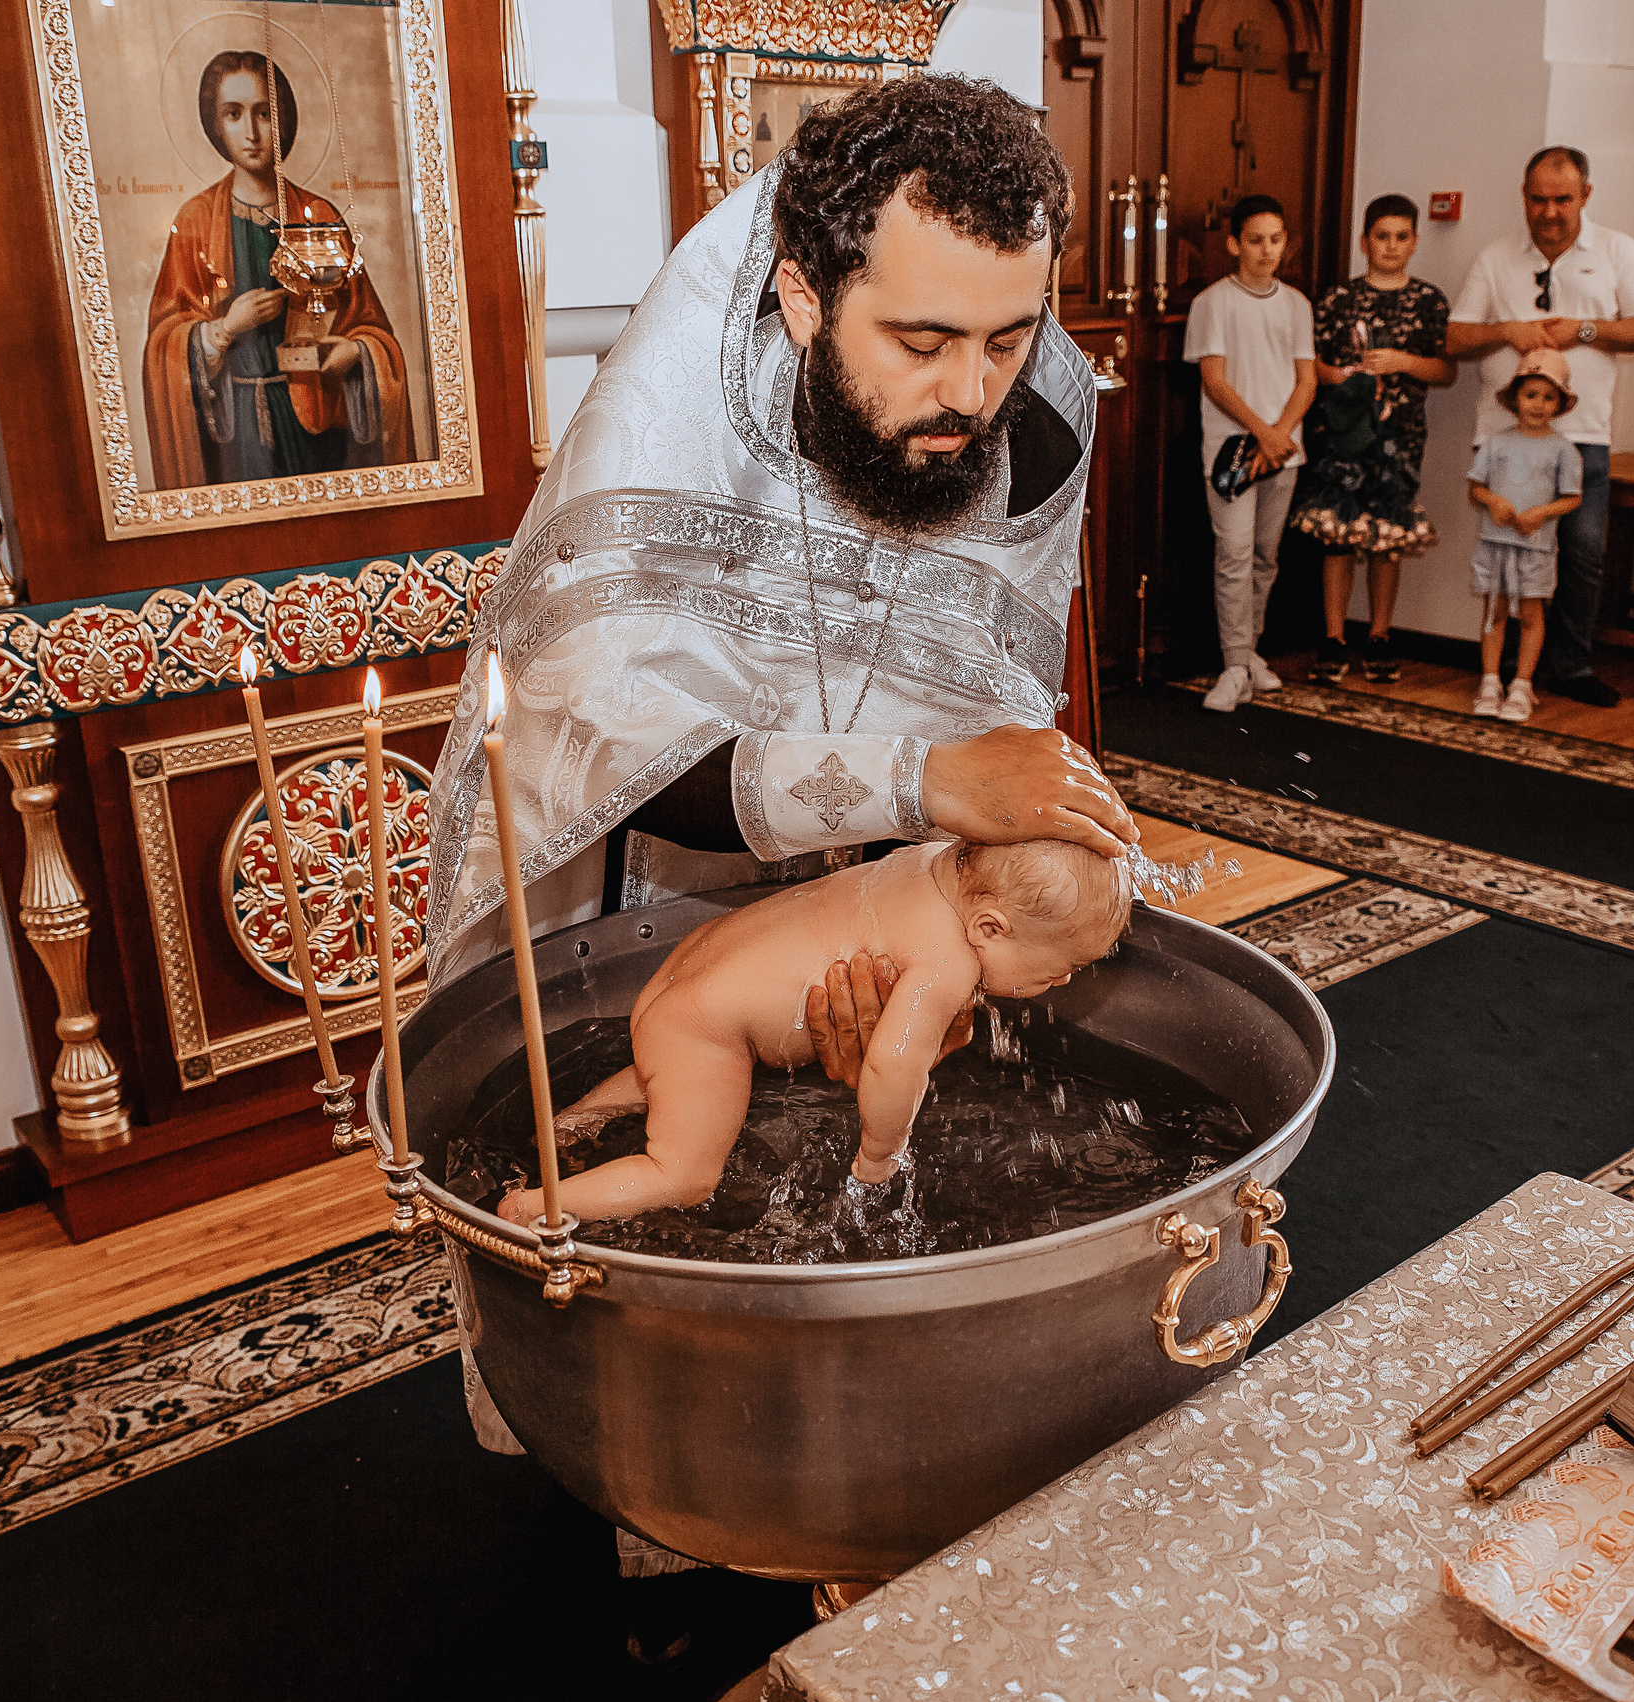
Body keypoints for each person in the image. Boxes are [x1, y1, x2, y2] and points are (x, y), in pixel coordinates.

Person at [420, 76, 1137, 1465]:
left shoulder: (1033, 420)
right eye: (922, 340)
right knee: (651, 1286)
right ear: (807, 300)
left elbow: (994, 695)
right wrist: (928, 782)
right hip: (655, 882)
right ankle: (644, 1466)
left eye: (1008, 335)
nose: (968, 395)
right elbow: (615, 759)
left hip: (888, 898)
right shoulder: (674, 406)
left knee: (846, 1199)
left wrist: (926, 882)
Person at [495, 837, 1130, 1227]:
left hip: (683, 971)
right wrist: (879, 1157)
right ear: (990, 928)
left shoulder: (930, 864)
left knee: (671, 1075)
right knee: (684, 1175)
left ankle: (571, 1122)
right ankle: (537, 1210)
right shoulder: (951, 960)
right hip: (709, 1025)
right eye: (1064, 966)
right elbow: (892, 1064)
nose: (1065, 982)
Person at [1448, 147, 1634, 708]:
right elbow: (1455, 340)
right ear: (1524, 197)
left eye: (1561, 200)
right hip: (1505, 436)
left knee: (1583, 550)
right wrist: (1507, 331)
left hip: (1583, 435)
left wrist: (1586, 330)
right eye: (1537, 199)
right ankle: (1510, 673)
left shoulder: (1619, 250)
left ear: (1585, 197)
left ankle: (1569, 667)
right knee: (1513, 548)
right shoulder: (1496, 258)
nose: (1549, 212)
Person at [141, 51, 414, 489]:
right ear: (216, 125)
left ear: (282, 120)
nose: (250, 133)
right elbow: (163, 344)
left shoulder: (319, 214)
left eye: (263, 114)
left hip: (320, 422)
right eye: (233, 114)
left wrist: (353, 354)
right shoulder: (194, 221)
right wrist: (224, 330)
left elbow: (374, 331)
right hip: (240, 435)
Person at [1294, 193, 1454, 685]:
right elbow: (1310, 364)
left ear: (1414, 242)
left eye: (1401, 237)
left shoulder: (1429, 301)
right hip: (1342, 436)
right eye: (1381, 236)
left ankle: (1380, 633)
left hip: (1399, 437)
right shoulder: (1338, 299)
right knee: (1338, 536)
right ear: (1365, 242)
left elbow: (1445, 370)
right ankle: (1334, 636)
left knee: (1387, 538)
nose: (1390, 246)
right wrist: (1339, 375)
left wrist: (1404, 362)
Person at [1184, 195, 1316, 712]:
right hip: (1232, 453)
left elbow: (1306, 380)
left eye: (1276, 239)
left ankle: (1249, 651)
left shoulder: (1297, 305)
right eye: (1256, 240)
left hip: (1283, 452)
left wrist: (1281, 435)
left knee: (1265, 558)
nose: (1267, 251)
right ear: (1235, 243)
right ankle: (1234, 664)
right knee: (1233, 555)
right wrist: (1262, 431)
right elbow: (1214, 381)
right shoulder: (1213, 303)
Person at [1466, 350, 1584, 723]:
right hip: (1496, 542)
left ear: (1560, 404)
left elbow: (1571, 498)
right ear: (1515, 398)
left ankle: (1521, 684)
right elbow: (1477, 488)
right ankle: (1489, 681)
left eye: (1549, 397)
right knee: (1495, 612)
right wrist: (1493, 501)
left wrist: (1541, 513)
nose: (1538, 404)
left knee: (1532, 613)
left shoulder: (1564, 450)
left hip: (1536, 546)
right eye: (1531, 395)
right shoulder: (1496, 443)